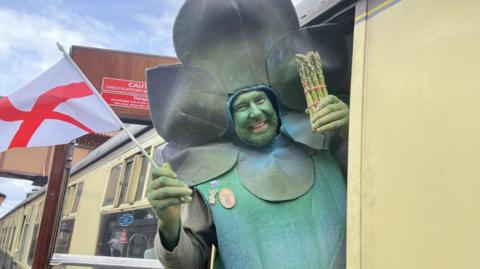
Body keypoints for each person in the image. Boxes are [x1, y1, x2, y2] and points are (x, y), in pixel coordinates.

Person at [146, 0, 350, 268]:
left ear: (275, 103)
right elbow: (189, 261)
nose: (254, 113)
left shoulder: (323, 141)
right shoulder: (205, 173)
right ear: (227, 117)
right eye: (241, 106)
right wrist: (169, 223)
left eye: (261, 100)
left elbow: (381, 186)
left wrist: (349, 129)